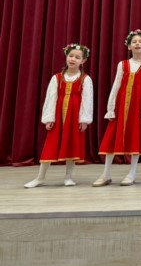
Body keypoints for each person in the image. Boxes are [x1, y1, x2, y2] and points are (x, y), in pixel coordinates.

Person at [24, 44, 93, 188]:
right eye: (71, 56)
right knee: (50, 145)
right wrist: (49, 118)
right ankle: (40, 177)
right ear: (66, 57)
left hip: (74, 117)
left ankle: (68, 177)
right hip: (58, 115)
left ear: (83, 61)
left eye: (77, 57)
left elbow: (87, 100)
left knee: (71, 144)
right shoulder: (57, 78)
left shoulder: (85, 79)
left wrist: (84, 119)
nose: (73, 59)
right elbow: (51, 98)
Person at [94, 30, 141, 186]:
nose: (137, 44)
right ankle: (106, 174)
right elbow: (116, 85)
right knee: (111, 138)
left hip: (138, 107)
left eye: (140, 41)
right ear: (129, 46)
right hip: (120, 106)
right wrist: (111, 107)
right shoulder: (122, 65)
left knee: (135, 137)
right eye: (134, 41)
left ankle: (132, 173)